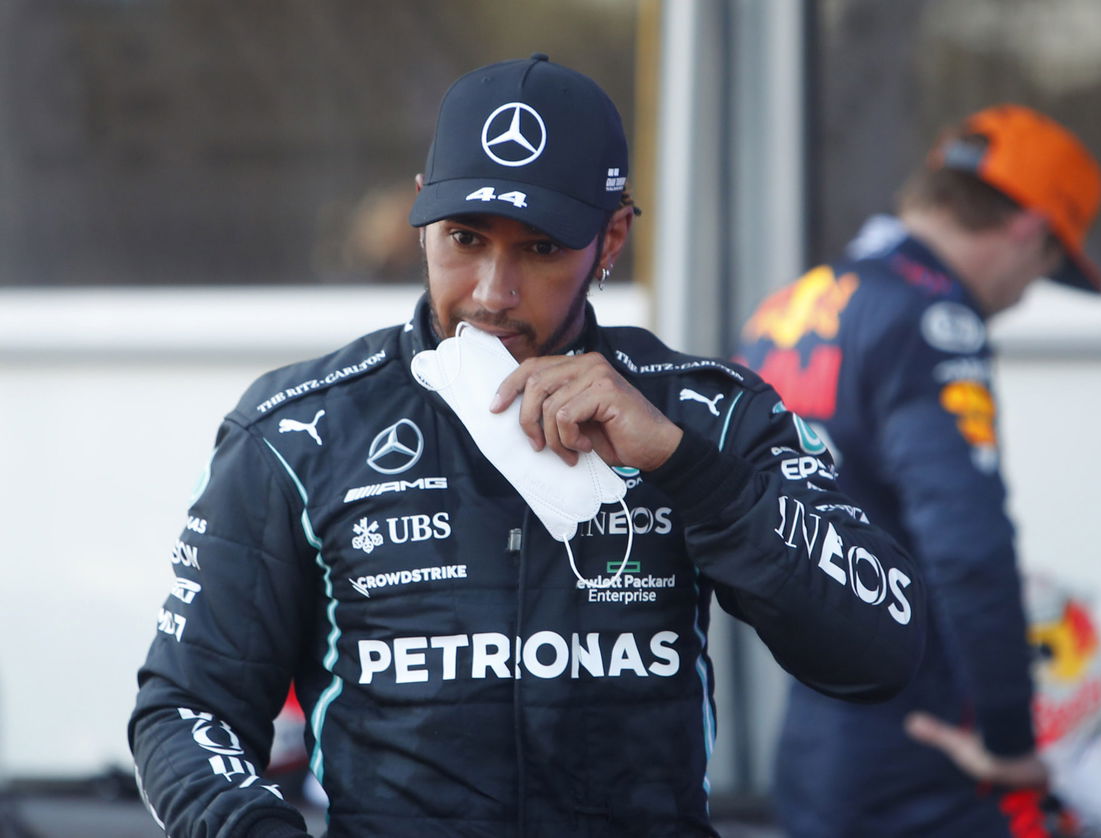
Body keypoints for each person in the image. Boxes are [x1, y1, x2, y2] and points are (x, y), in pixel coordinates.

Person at [128, 53, 925, 837]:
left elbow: (880, 649)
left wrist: (685, 469)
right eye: (464, 238)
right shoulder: (299, 430)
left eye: (540, 248)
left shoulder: (704, 414)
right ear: (422, 213)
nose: (491, 293)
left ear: (611, 239)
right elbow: (185, 709)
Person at [734, 104, 1101, 837]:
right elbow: (968, 549)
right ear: (1027, 230)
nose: (1026, 294)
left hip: (812, 734)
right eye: (1045, 269)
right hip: (917, 754)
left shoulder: (789, 307)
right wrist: (1009, 740)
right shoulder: (933, 319)